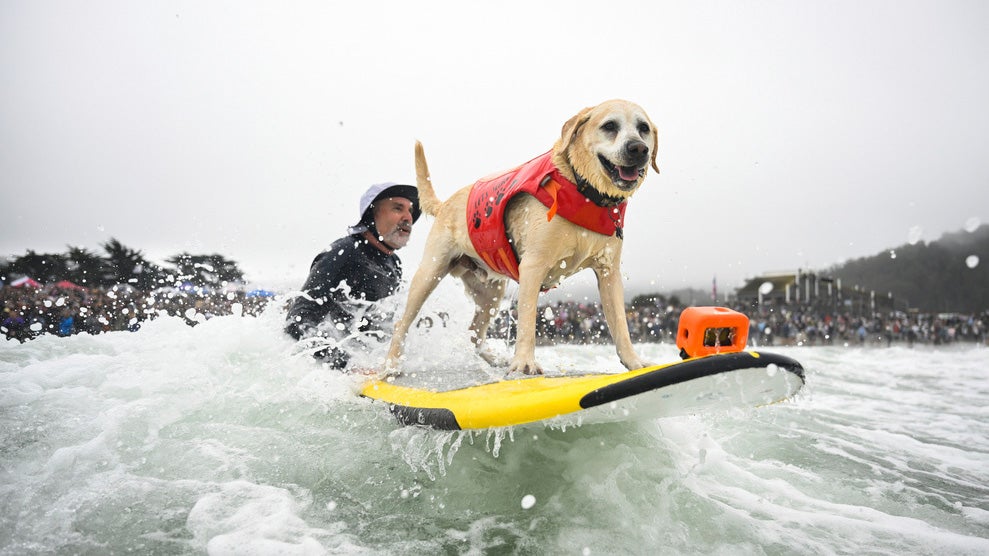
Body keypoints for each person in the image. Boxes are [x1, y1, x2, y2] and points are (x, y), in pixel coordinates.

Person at [285, 182, 421, 369]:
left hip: (367, 358)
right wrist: (348, 365)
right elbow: (297, 322)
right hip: (330, 373)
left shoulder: (394, 263)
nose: (408, 218)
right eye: (398, 208)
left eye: (410, 211)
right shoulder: (342, 253)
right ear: (371, 215)